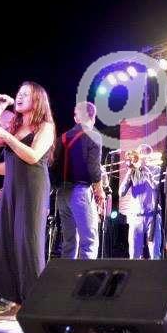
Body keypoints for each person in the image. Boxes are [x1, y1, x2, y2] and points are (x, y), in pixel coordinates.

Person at [0, 81, 55, 320]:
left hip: (33, 188)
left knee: (27, 242)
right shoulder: (14, 125)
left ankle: (32, 301)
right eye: (18, 94)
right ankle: (10, 298)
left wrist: (6, 137)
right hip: (12, 188)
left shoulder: (46, 127)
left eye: (25, 94)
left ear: (37, 100)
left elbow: (32, 156)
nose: (19, 97)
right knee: (5, 239)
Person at [50, 101, 105, 260]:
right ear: (93, 117)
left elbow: (52, 167)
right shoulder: (94, 136)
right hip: (80, 192)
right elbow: (94, 168)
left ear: (76, 118)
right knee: (89, 241)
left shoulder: (62, 138)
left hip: (61, 195)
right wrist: (99, 191)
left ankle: (68, 275)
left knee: (69, 242)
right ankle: (86, 275)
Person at [119, 144, 161, 259]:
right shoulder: (133, 171)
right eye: (139, 154)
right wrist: (129, 172)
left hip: (153, 216)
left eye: (143, 154)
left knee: (155, 255)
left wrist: (147, 172)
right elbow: (121, 192)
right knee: (134, 255)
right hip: (136, 217)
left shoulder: (156, 169)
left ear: (149, 156)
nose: (141, 157)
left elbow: (156, 187)